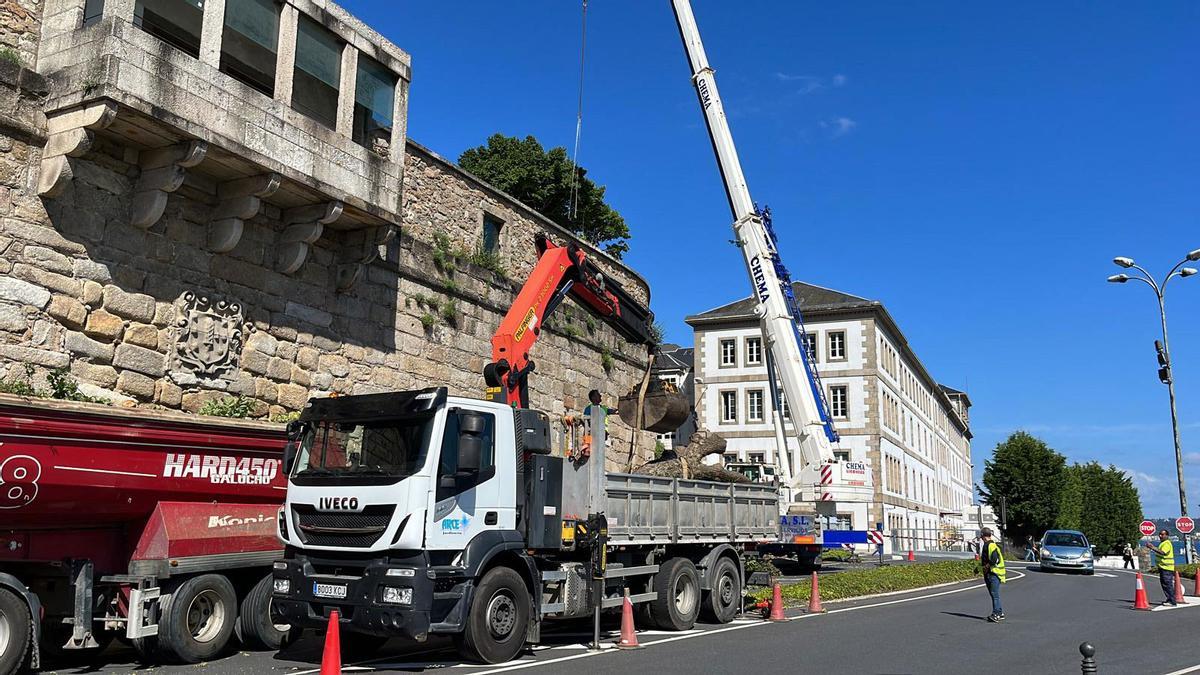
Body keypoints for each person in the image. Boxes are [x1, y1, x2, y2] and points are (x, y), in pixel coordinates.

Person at [979, 527, 1006, 622]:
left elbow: (994, 560)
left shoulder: (989, 545)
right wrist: (978, 569)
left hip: (993, 573)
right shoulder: (993, 545)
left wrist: (986, 567)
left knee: (994, 594)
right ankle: (1000, 612)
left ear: (983, 536)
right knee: (994, 594)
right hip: (995, 573)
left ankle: (996, 614)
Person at [1144, 529, 1177, 606]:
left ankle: (1172, 601)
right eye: (1160, 534)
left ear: (1167, 535)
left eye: (1162, 534)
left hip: (1167, 568)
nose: (1160, 536)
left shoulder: (1166, 543)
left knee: (1167, 584)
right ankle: (1169, 599)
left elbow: (1163, 552)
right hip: (1163, 567)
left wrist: (1152, 547)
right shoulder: (1162, 543)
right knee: (1165, 584)